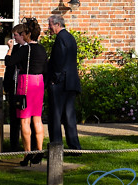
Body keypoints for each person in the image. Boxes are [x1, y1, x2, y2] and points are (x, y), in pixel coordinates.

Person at [6, 17, 47, 166]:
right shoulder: (42, 49)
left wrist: (9, 49)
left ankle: (28, 152)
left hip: (27, 82)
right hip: (39, 82)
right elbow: (46, 69)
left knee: (24, 119)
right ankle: (39, 150)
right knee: (37, 119)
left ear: (28, 34)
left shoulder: (25, 49)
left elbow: (9, 62)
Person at [46, 14, 82, 151]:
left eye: (50, 25)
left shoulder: (60, 38)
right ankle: (74, 147)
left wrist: (54, 79)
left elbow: (59, 62)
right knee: (69, 116)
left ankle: (56, 146)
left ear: (57, 24)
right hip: (71, 82)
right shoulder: (70, 37)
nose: (49, 28)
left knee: (55, 116)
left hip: (61, 83)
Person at [4, 23, 27, 152]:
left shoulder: (28, 49)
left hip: (24, 86)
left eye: (16, 35)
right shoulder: (16, 49)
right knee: (13, 117)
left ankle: (28, 145)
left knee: (24, 117)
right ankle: (14, 145)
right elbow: (8, 65)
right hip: (13, 86)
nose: (14, 38)